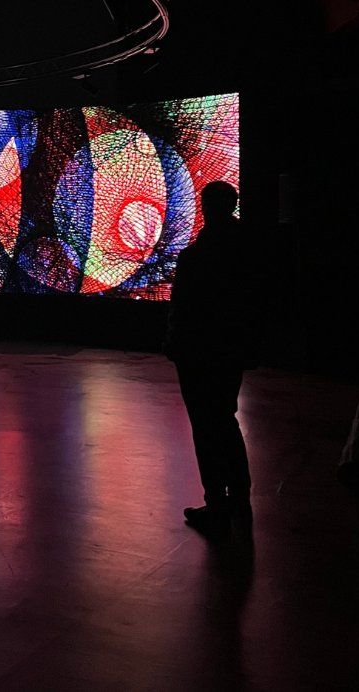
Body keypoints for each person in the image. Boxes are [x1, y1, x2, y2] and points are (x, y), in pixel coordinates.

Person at [165, 181, 257, 535]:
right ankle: (238, 498)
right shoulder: (247, 254)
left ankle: (217, 503)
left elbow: (183, 307)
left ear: (205, 207)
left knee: (206, 426)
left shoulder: (196, 257)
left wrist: (173, 342)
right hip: (229, 351)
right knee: (226, 419)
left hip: (197, 353)